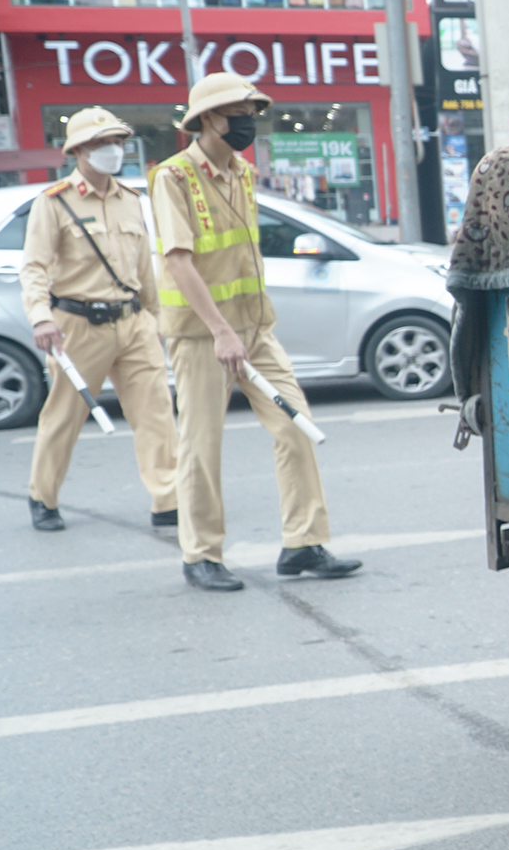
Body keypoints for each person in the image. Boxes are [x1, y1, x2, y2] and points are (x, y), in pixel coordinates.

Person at [151, 72, 361, 592]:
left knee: (296, 426)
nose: (246, 122)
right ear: (207, 119)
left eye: (251, 112)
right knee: (201, 443)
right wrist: (222, 332)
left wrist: (244, 329)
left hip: (254, 330)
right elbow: (179, 263)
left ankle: (303, 543)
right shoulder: (173, 178)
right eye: (236, 113)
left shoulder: (241, 172)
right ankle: (200, 554)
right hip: (205, 337)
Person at [20, 107, 178, 532]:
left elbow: (145, 267)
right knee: (64, 414)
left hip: (133, 321)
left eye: (117, 142)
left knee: (157, 413)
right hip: (76, 325)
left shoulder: (132, 201)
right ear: (79, 151)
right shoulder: (54, 203)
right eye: (101, 143)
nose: (112, 150)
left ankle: (168, 499)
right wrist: (40, 318)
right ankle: (43, 495)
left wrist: (158, 321)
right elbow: (34, 267)